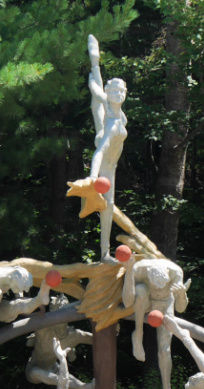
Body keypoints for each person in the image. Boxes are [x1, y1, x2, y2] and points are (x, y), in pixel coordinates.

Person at [122, 255, 190, 389]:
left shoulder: (175, 272)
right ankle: (138, 335)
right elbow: (127, 301)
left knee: (165, 350)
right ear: (149, 277)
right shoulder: (140, 269)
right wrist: (129, 272)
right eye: (155, 286)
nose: (158, 289)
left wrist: (182, 295)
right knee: (140, 291)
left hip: (166, 304)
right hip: (144, 302)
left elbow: (181, 307)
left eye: (162, 286)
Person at [87, 34, 128, 261]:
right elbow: (99, 152)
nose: (118, 95)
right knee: (108, 206)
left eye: (121, 92)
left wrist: (100, 94)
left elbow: (100, 95)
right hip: (104, 168)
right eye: (114, 92)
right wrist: (93, 177)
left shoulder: (120, 116)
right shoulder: (113, 125)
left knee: (109, 208)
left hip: (111, 168)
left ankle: (105, 253)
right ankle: (104, 253)